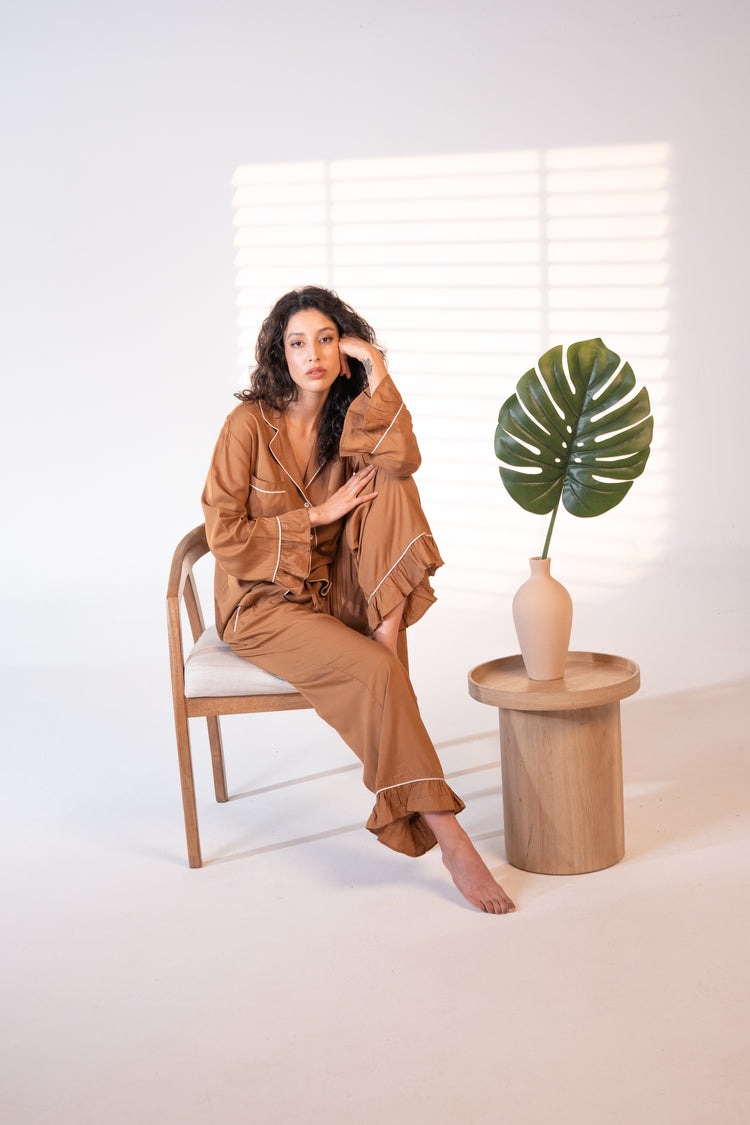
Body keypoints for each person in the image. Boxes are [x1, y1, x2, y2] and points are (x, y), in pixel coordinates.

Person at [201, 285, 516, 914]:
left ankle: (385, 630)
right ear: (280, 354)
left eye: (326, 340)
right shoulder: (246, 425)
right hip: (264, 606)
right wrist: (317, 514)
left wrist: (377, 368)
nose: (312, 354)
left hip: (335, 591)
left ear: (343, 349)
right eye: (297, 343)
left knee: (392, 480)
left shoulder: (351, 415)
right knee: (380, 671)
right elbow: (223, 534)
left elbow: (405, 457)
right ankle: (452, 840)